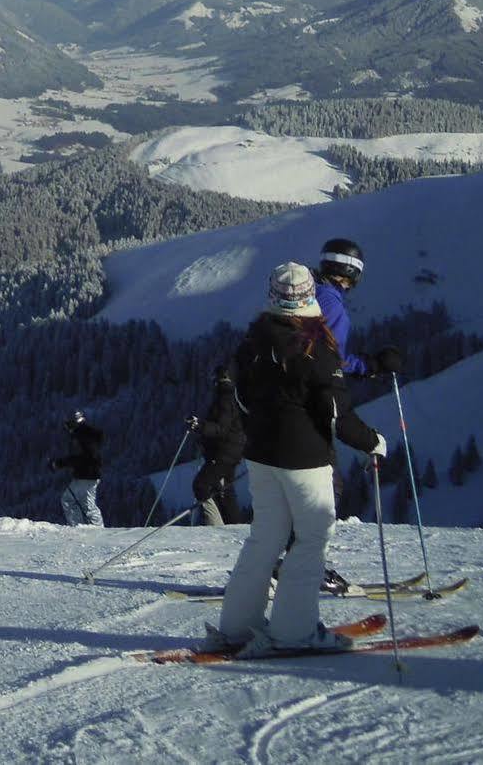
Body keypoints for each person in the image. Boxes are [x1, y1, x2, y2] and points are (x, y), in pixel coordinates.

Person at [214, 263, 386, 656]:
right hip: (305, 458)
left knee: (264, 538)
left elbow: (240, 398)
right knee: (311, 540)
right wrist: (372, 441)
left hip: (260, 454)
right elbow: (336, 412)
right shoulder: (315, 344)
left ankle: (237, 627)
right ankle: (294, 631)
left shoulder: (255, 337)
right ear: (309, 298)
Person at [313, 238, 405, 381]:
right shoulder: (331, 303)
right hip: (309, 388)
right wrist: (370, 365)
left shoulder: (308, 290)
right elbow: (334, 358)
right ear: (351, 271)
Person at [190, 364, 244, 526]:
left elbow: (221, 428)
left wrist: (199, 426)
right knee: (224, 491)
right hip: (232, 451)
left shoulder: (224, 399)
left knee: (202, 485)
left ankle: (215, 525)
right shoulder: (234, 396)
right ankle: (233, 526)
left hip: (223, 452)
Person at [51, 410, 104, 526]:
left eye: (67, 424)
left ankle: (91, 528)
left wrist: (60, 463)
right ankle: (82, 527)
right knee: (74, 500)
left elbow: (82, 458)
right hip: (87, 474)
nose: (66, 428)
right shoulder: (86, 435)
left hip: (87, 475)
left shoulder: (83, 437)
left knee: (81, 503)